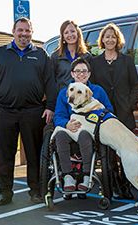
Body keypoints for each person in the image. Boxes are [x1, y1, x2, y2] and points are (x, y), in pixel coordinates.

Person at [0, 17, 57, 206]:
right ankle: (4, 192)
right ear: (13, 31)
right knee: (5, 154)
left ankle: (36, 191)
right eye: (20, 30)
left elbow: (50, 83)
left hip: (33, 112)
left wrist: (49, 106)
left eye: (27, 31)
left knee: (34, 155)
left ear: (32, 33)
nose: (24, 34)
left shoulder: (41, 55)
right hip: (4, 112)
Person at [90, 23, 138, 199]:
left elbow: (135, 86)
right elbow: (93, 89)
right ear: (102, 40)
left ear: (118, 40)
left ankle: (126, 185)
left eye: (113, 36)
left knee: (127, 153)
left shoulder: (127, 61)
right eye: (107, 36)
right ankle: (115, 186)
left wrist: (129, 106)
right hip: (105, 116)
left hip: (124, 113)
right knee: (109, 155)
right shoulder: (94, 62)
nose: (110, 39)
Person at [53, 57, 113, 192]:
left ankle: (87, 176)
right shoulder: (65, 93)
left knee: (84, 135)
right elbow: (58, 115)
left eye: (84, 71)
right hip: (70, 129)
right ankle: (67, 175)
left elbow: (108, 111)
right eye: (78, 71)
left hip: (89, 131)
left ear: (89, 74)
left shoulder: (97, 91)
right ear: (72, 74)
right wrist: (66, 124)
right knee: (60, 135)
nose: (81, 74)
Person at [51, 20, 91, 93]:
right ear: (63, 37)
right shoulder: (56, 56)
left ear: (78, 33)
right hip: (63, 98)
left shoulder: (87, 56)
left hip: (82, 99)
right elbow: (51, 81)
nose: (70, 35)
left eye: (72, 31)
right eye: (66, 33)